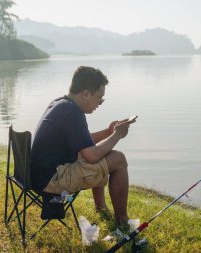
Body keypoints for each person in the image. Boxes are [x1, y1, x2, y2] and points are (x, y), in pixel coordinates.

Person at [31, 66, 135, 225]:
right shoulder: (73, 113)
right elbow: (92, 156)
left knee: (104, 154)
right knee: (118, 159)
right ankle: (122, 220)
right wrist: (118, 134)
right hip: (51, 180)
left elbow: (83, 142)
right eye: (99, 98)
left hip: (40, 174)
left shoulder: (61, 104)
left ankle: (101, 208)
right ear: (85, 94)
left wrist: (109, 132)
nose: (100, 103)